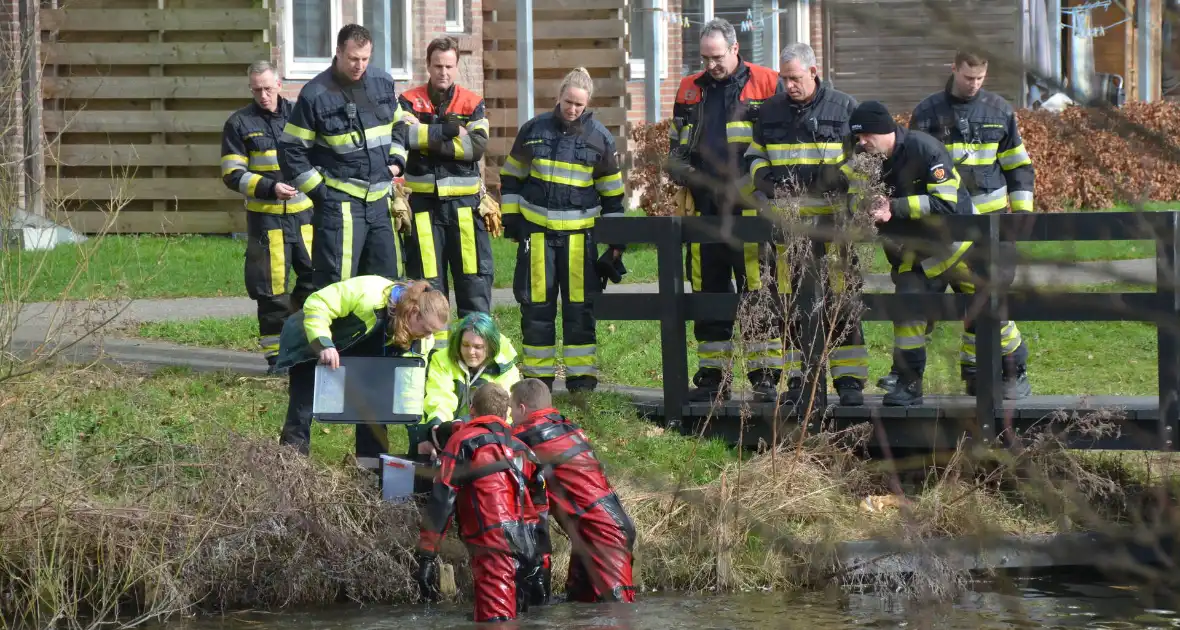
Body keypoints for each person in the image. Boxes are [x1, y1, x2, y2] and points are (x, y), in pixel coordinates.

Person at [874, 49, 1033, 399]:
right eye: (967, 77)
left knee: (985, 299)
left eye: (979, 78)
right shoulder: (928, 113)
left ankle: (989, 370)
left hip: (988, 227)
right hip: (940, 226)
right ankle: (906, 375)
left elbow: (1017, 165)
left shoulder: (999, 111)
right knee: (919, 299)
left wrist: (1020, 218)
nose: (973, 84)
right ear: (954, 70)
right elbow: (909, 165)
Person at [844, 101, 1024, 406]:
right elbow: (850, 195)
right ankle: (908, 383)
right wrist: (863, 205)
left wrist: (896, 207)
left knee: (986, 308)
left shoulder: (925, 150)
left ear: (884, 130)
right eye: (858, 139)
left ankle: (1015, 369)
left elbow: (946, 204)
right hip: (913, 253)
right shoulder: (864, 158)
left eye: (866, 137)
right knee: (908, 312)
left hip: (957, 248)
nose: (861, 144)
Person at [742, 42, 867, 407]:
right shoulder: (770, 111)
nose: (789, 85)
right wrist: (766, 183)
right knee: (793, 301)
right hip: (789, 226)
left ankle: (849, 380)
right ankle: (800, 378)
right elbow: (754, 154)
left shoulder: (845, 108)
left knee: (842, 299)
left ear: (813, 71)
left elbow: (862, 156)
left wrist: (834, 180)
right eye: (784, 79)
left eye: (795, 78)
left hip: (834, 225)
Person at [667, 18, 784, 402]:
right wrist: (682, 172)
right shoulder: (689, 89)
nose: (711, 65)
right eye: (705, 58)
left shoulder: (767, 83)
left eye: (717, 57)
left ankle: (764, 375)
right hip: (705, 209)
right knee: (707, 290)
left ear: (736, 49)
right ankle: (713, 377)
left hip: (751, 208)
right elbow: (676, 146)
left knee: (756, 289)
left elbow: (782, 137)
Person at [498, 67, 627, 393]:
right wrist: (511, 218)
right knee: (537, 310)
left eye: (579, 105)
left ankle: (581, 383)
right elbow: (512, 175)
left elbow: (613, 196)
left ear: (587, 105)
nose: (572, 109)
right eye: (569, 102)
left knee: (579, 310)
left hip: (578, 239)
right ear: (559, 97)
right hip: (537, 236)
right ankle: (538, 385)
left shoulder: (600, 138)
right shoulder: (534, 130)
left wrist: (615, 243)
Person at [278, 24, 408, 290]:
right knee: (338, 285)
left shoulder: (382, 83)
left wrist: (396, 163)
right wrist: (321, 193)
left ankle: (379, 333)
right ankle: (334, 334)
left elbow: (399, 126)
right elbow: (291, 150)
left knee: (386, 285)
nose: (359, 65)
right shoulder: (315, 94)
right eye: (352, 58)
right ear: (338, 52)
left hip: (380, 203)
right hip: (340, 206)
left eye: (364, 59)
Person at [415, 382, 551, 623]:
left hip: (493, 548)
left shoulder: (462, 441)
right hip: (527, 548)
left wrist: (427, 554)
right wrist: (542, 565)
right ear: (506, 413)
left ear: (471, 409)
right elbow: (540, 508)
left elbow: (442, 500)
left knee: (495, 622)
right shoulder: (522, 448)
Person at [272, 277, 449, 458]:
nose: (428, 337)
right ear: (414, 312)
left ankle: (369, 473)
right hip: (312, 340)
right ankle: (292, 464)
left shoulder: (422, 342)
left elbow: (410, 393)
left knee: (375, 408)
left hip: (363, 349)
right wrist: (323, 344)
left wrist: (420, 437)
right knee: (304, 405)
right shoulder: (370, 293)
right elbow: (318, 303)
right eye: (426, 330)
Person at [397, 36, 497, 352]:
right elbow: (404, 135)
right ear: (428, 65)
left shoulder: (472, 101)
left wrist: (427, 138)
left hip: (466, 210)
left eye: (449, 66)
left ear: (457, 66)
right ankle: (432, 358)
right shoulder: (408, 100)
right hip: (423, 208)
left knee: (473, 284)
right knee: (426, 288)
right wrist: (453, 131)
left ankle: (477, 357)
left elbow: (477, 147)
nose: (443, 72)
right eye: (438, 66)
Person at [220, 61, 315, 374]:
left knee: (315, 280)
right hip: (267, 221)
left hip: (305, 218)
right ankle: (277, 360)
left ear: (279, 85)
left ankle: (304, 344)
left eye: (268, 88)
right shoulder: (239, 123)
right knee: (271, 291)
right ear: (251, 88)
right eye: (257, 89)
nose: (263, 95)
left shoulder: (301, 116)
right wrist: (269, 187)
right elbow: (232, 174)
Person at [510, 378, 637, 604]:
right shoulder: (564, 426)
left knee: (616, 614)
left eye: (511, 410)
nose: (510, 417)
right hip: (596, 531)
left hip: (604, 537)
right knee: (579, 604)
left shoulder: (531, 435)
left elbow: (495, 445)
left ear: (521, 408)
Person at [410, 312, 522, 491]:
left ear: (490, 347)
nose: (471, 352)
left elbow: (501, 411)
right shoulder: (442, 360)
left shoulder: (505, 368)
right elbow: (439, 397)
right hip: (450, 429)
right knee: (422, 443)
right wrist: (438, 430)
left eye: (478, 347)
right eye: (465, 345)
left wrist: (466, 431)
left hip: (491, 436)